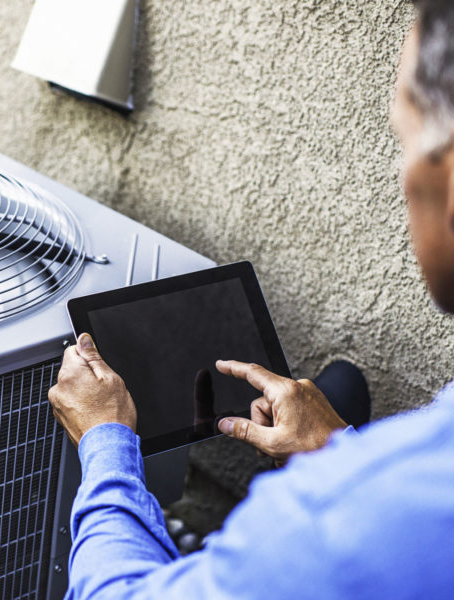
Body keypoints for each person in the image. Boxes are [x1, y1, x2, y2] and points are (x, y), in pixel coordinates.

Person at [47, 1, 454, 598]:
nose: (401, 174)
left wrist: (106, 440)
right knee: (341, 386)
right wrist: (337, 446)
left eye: (405, 140)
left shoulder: (331, 517)